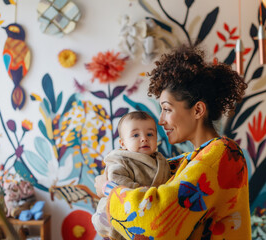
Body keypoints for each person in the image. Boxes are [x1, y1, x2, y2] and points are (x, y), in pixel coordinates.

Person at [94, 44, 251, 240]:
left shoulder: (222, 153)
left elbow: (157, 221)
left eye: (167, 109)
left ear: (197, 111)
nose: (160, 120)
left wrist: (108, 189)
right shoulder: (192, 159)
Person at [92, 111, 172, 240]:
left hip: (151, 218)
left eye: (150, 134)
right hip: (121, 215)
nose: (144, 138)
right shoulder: (121, 159)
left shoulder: (161, 162)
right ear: (123, 143)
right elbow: (117, 182)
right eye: (135, 135)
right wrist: (142, 192)